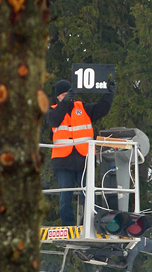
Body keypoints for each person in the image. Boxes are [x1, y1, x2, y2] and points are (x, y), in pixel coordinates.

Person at [47, 79, 115, 226]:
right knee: (65, 198)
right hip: (63, 161)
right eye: (63, 95)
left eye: (68, 94)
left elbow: (101, 109)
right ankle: (68, 226)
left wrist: (108, 94)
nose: (67, 97)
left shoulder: (83, 107)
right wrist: (65, 103)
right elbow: (54, 120)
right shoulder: (52, 111)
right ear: (58, 97)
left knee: (89, 196)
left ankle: (91, 224)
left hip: (85, 159)